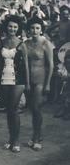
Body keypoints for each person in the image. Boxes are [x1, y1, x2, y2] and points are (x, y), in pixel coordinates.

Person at [0, 15, 29, 153]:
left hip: (18, 79)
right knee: (8, 110)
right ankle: (11, 139)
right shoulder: (1, 42)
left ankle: (16, 141)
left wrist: (27, 83)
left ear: (18, 29)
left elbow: (26, 66)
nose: (12, 29)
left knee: (13, 108)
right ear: (6, 27)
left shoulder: (22, 44)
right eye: (10, 26)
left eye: (15, 27)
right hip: (4, 78)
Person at [24, 17, 53, 151]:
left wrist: (47, 84)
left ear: (41, 30)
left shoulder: (45, 43)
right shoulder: (27, 43)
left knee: (36, 108)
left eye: (37, 28)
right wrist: (26, 82)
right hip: (29, 79)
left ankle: (37, 137)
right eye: (32, 28)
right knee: (32, 109)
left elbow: (51, 65)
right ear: (28, 29)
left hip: (41, 79)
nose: (34, 30)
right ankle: (36, 135)